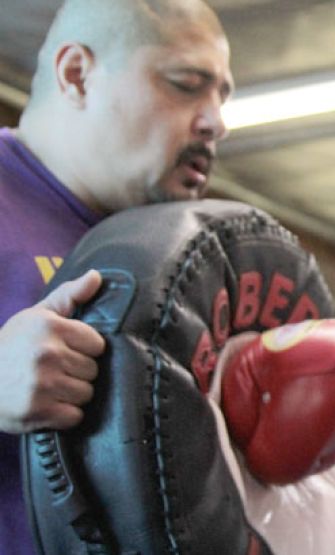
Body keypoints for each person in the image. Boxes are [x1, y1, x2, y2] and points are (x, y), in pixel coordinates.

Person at [0, 0, 231, 552]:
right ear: (77, 74)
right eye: (185, 84)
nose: (217, 122)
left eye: (224, 96)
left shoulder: (178, 254)